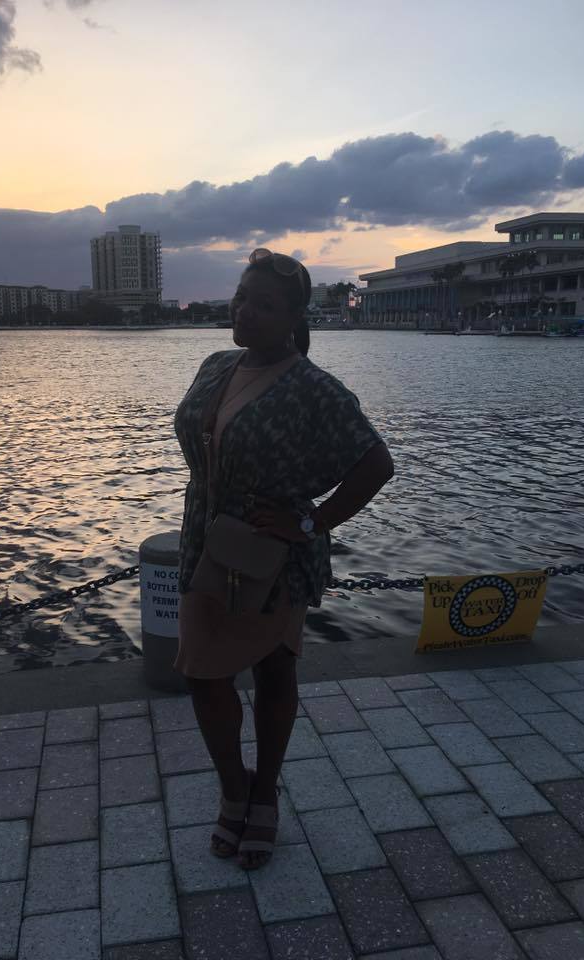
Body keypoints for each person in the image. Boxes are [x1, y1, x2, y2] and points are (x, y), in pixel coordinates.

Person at [173, 248, 394, 870]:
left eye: (264, 305)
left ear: (295, 318)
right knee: (201, 673)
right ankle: (234, 787)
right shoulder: (216, 365)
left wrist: (313, 521)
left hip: (271, 555)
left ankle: (264, 791)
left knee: (273, 670)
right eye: (242, 297)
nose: (245, 310)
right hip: (205, 543)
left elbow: (376, 464)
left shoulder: (314, 388)